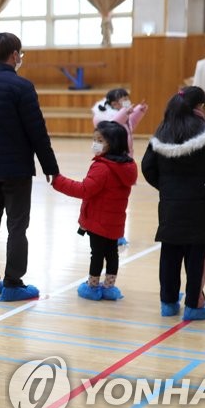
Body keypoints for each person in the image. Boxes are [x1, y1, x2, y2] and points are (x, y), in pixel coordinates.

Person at [0, 32, 59, 302]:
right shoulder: (22, 87)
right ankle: (13, 284)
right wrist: (50, 166)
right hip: (16, 171)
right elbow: (36, 131)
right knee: (17, 227)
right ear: (15, 55)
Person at [141, 86, 205, 321]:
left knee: (170, 253)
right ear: (202, 107)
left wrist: (166, 188)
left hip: (170, 206)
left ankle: (168, 303)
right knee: (197, 256)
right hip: (200, 206)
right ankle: (194, 304)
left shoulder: (162, 133)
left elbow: (147, 167)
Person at [52, 121, 137, 302]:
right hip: (116, 220)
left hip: (98, 221)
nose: (95, 143)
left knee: (97, 254)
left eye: (100, 140)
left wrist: (58, 181)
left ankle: (92, 286)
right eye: (94, 139)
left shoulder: (102, 167)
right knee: (112, 253)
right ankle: (109, 287)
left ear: (112, 143)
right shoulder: (127, 166)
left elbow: (84, 190)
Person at [91, 87, 147, 157]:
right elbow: (114, 125)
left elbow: (131, 124)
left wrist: (139, 111)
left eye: (128, 98)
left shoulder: (123, 116)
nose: (128, 101)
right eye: (125, 99)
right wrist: (125, 113)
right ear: (114, 104)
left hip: (126, 153)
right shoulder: (105, 116)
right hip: (112, 155)